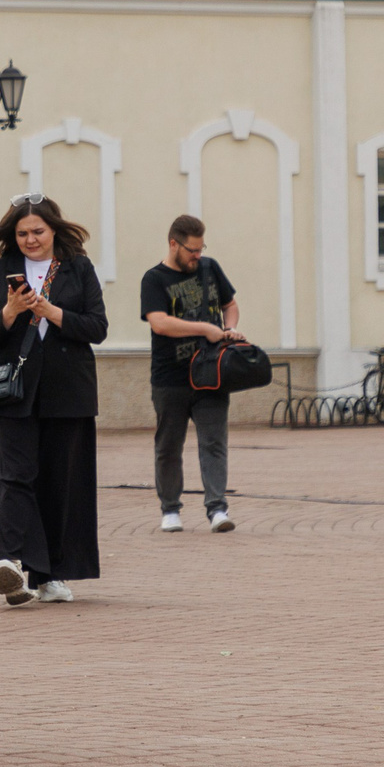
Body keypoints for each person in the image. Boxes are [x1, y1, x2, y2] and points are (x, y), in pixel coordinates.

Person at [0, 192, 106, 608]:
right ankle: (8, 563)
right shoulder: (2, 270)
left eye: (38, 232)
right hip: (14, 392)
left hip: (68, 392)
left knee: (59, 484)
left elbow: (97, 327)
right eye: (23, 233)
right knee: (15, 476)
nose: (31, 240)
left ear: (53, 230)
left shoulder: (78, 268)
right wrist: (10, 312)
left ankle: (49, 576)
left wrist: (52, 312)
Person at [142, 213, 243, 534]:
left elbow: (230, 305)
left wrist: (228, 329)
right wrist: (204, 328)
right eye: (191, 251)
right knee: (169, 446)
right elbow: (159, 322)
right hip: (170, 376)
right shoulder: (154, 279)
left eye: (201, 249)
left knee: (214, 442)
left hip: (212, 373)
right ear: (173, 244)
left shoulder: (210, 268)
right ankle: (170, 509)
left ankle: (217, 509)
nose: (197, 256)